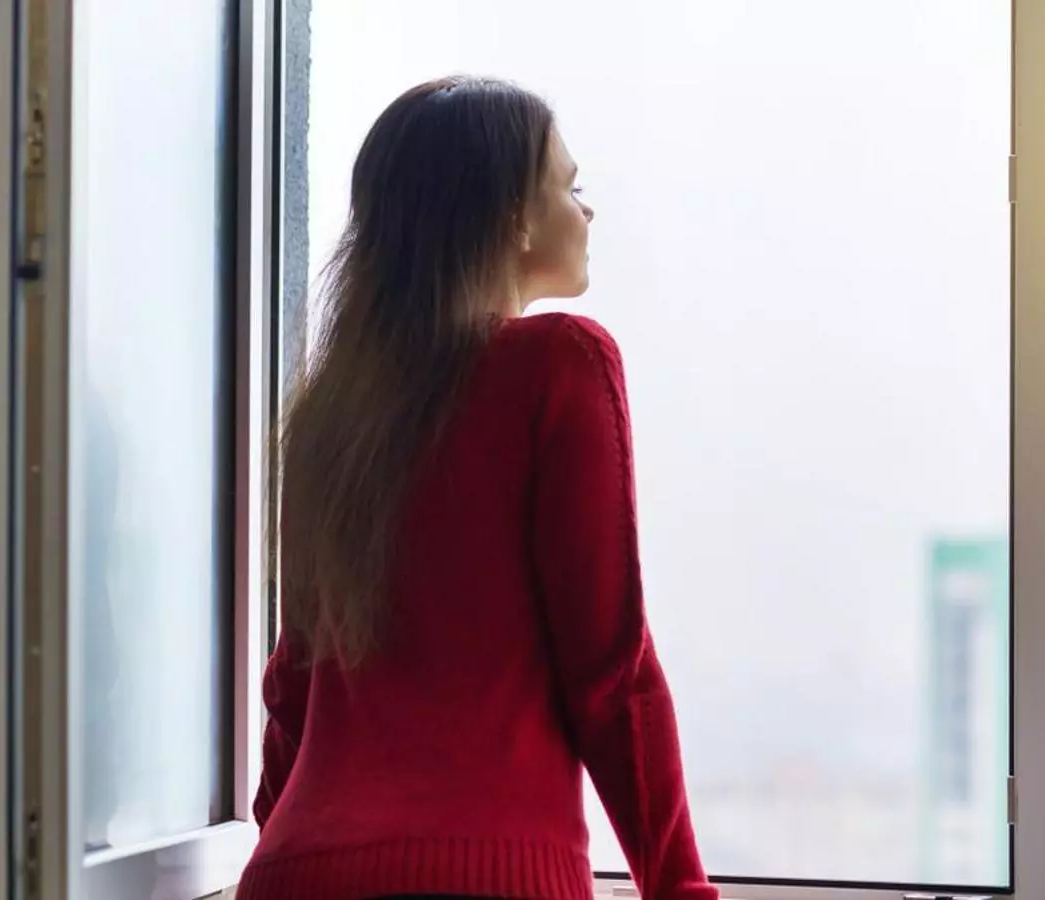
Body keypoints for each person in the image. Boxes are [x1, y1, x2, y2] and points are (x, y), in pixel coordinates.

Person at [236, 76, 716, 900]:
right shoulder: (561, 365)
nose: (586, 211)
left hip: (295, 869)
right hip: (488, 868)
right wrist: (678, 886)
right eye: (570, 186)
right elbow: (610, 673)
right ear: (512, 217)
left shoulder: (330, 415)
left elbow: (295, 688)